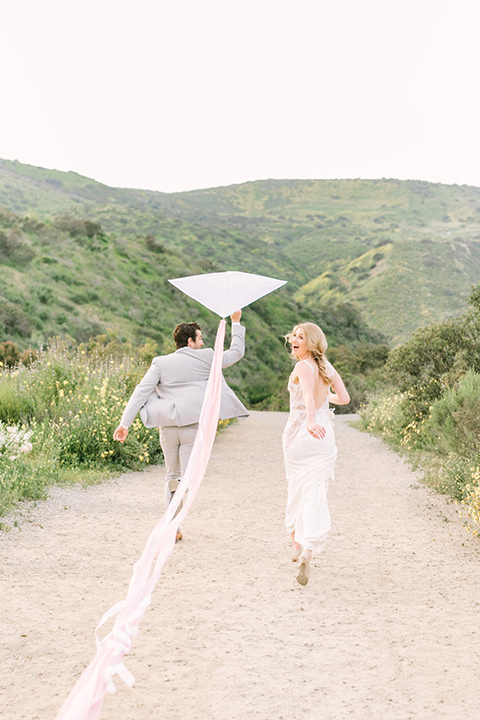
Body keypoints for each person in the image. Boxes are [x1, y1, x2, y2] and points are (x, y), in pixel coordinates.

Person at [113, 311, 248, 540]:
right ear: (190, 342)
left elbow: (141, 391)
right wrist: (235, 323)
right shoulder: (206, 357)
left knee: (171, 475)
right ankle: (174, 523)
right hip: (191, 428)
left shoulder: (161, 363)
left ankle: (172, 526)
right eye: (200, 338)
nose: (203, 342)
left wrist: (124, 423)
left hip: (167, 429)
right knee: (187, 478)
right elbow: (236, 352)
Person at [282, 322, 350, 586]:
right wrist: (323, 405)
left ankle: (296, 545)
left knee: (297, 487)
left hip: (302, 432)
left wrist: (310, 421)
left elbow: (308, 395)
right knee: (315, 491)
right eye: (294, 336)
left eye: (300, 337)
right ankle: (307, 550)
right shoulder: (326, 367)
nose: (294, 340)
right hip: (325, 436)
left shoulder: (303, 366)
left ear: (311, 342)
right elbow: (343, 398)